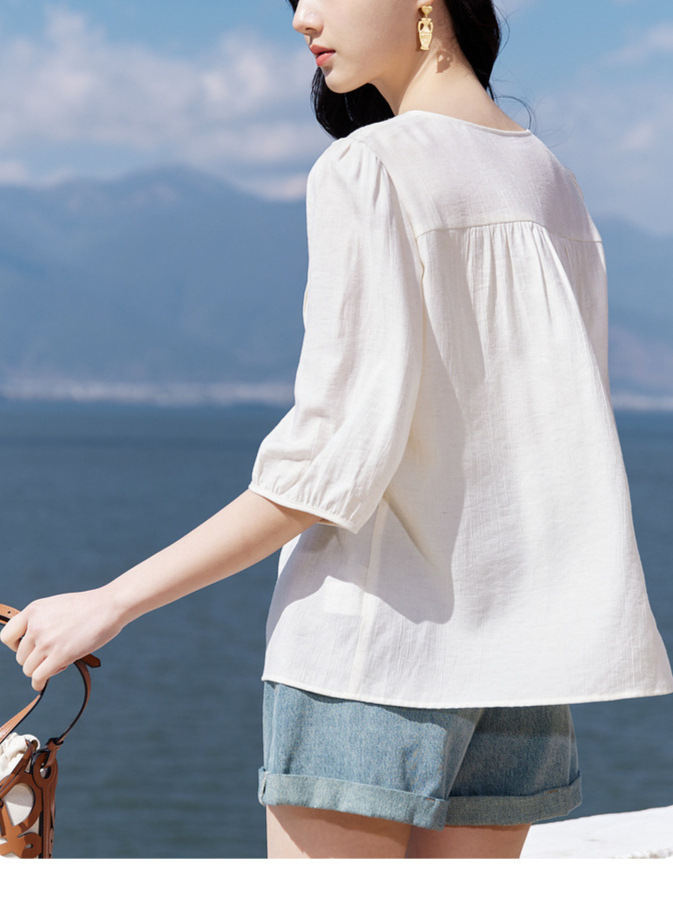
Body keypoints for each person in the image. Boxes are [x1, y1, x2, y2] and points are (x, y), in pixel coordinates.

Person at [2, 0, 672, 860]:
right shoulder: (552, 180)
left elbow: (326, 462)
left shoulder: (371, 166)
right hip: (521, 671)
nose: (301, 19)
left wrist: (108, 603)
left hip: (371, 656)